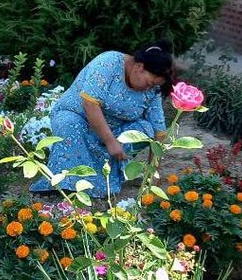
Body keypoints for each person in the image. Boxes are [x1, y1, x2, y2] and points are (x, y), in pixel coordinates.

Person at [32, 42, 174, 198]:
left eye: (154, 86)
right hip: (79, 120)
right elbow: (90, 103)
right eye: (149, 83)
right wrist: (110, 141)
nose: (149, 89)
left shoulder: (152, 89)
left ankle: (105, 181)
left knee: (146, 130)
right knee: (68, 122)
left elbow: (159, 131)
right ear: (139, 66)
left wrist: (153, 171)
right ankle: (68, 185)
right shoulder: (108, 63)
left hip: (114, 131)